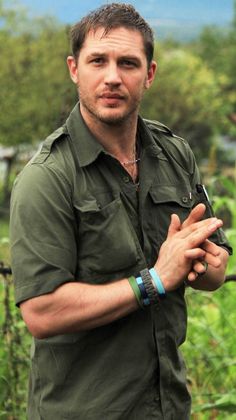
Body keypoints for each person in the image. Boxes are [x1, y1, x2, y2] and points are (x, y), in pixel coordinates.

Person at [10, 3, 232, 419]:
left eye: (128, 63)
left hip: (168, 406)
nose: (112, 77)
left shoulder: (174, 154)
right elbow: (41, 312)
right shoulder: (48, 177)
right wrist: (154, 280)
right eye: (99, 61)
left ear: (148, 75)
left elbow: (212, 270)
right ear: (75, 69)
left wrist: (208, 263)